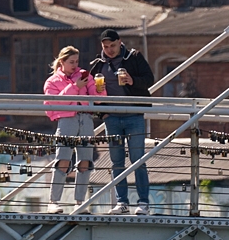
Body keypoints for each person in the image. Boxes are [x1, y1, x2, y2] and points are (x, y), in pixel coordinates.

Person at [88, 28, 155, 215]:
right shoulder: (98, 65)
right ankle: (122, 203)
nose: (109, 50)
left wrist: (133, 81)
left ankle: (143, 203)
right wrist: (102, 114)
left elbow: (149, 79)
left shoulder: (133, 57)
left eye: (113, 45)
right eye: (106, 46)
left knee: (138, 160)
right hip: (112, 118)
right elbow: (91, 93)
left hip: (134, 116)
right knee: (117, 161)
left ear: (120, 42)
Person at [44, 45, 104, 213]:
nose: (75, 65)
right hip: (66, 120)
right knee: (62, 160)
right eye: (71, 62)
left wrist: (100, 89)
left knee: (85, 161)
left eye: (77, 61)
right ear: (62, 62)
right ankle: (53, 202)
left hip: (85, 119)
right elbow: (54, 103)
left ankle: (80, 202)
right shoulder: (52, 81)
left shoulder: (85, 75)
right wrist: (75, 86)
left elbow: (97, 99)